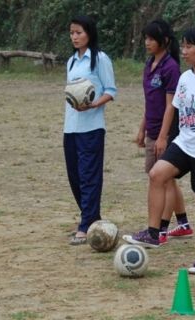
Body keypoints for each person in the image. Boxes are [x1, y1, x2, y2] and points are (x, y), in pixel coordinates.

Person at [124, 27, 195, 274]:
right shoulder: (185, 77)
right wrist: (167, 139)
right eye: (183, 46)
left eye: (189, 47)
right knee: (157, 174)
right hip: (184, 144)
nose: (184, 51)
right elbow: (175, 113)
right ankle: (154, 233)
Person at [134, 19, 192, 245]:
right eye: (145, 38)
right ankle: (183, 224)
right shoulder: (149, 65)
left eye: (151, 39)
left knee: (162, 179)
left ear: (164, 41)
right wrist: (142, 129)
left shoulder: (171, 68)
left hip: (166, 132)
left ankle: (160, 230)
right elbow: (150, 103)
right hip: (153, 129)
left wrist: (163, 137)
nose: (147, 43)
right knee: (165, 180)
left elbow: (171, 105)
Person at [64, 15, 117, 245]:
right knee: (75, 176)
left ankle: (85, 225)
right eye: (72, 33)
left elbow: (111, 90)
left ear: (89, 33)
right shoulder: (71, 61)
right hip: (71, 127)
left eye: (79, 33)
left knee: (89, 177)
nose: (74, 37)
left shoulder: (100, 59)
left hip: (92, 128)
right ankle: (92, 219)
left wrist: (94, 104)